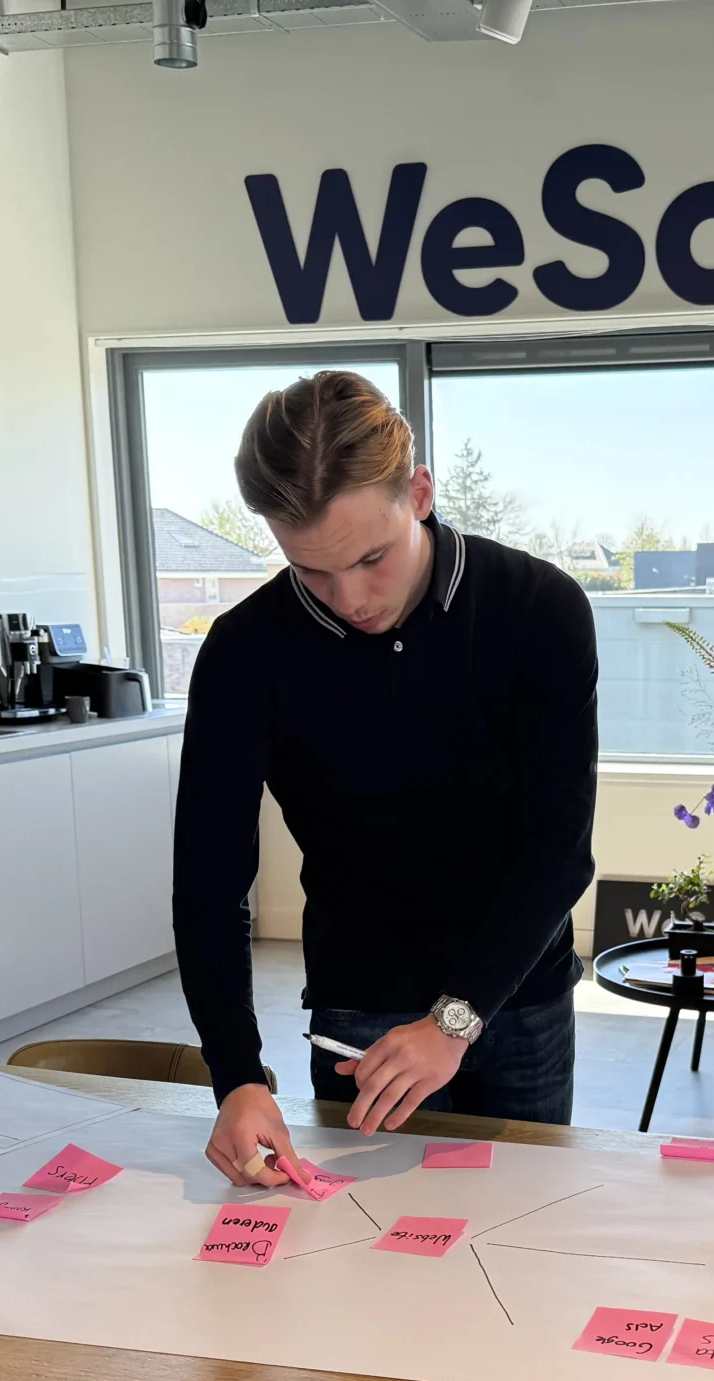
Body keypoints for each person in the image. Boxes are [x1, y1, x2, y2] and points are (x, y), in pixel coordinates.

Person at [175, 370, 599, 1190]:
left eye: (372, 558)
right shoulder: (244, 653)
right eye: (312, 571)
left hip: (516, 996)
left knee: (525, 1222)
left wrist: (456, 1020)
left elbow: (558, 851)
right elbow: (208, 883)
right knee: (359, 1243)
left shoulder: (538, 609)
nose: (350, 599)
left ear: (421, 495)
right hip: (359, 1005)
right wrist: (238, 1076)